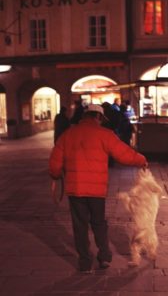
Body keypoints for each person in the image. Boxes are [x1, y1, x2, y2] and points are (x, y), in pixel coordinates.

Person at [49, 104, 147, 274]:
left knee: (79, 226)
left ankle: (85, 263)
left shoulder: (68, 134)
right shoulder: (105, 134)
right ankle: (104, 257)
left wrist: (56, 174)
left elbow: (55, 161)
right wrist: (141, 160)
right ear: (99, 117)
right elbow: (123, 153)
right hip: (96, 191)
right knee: (99, 223)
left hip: (76, 189)